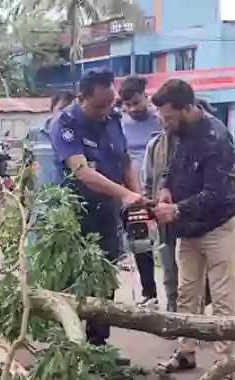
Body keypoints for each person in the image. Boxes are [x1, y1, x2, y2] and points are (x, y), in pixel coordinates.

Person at [150, 79, 235, 380]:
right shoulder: (177, 132)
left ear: (188, 108)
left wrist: (175, 209)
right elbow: (170, 168)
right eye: (162, 118)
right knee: (187, 292)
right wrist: (165, 190)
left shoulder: (217, 138)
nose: (165, 123)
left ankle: (223, 362)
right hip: (187, 229)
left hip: (218, 226)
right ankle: (186, 351)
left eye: (169, 117)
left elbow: (216, 194)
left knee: (222, 296)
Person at [50, 69, 141, 357]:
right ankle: (69, 344)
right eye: (100, 106)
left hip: (106, 213)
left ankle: (98, 345)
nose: (106, 112)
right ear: (82, 98)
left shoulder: (113, 119)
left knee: (104, 277)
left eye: (110, 104)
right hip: (73, 215)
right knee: (70, 278)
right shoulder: (65, 123)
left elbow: (125, 161)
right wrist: (125, 193)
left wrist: (136, 195)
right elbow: (81, 171)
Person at [119, 75, 162, 307]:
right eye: (127, 105)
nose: (132, 109)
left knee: (170, 245)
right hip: (133, 195)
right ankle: (150, 293)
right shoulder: (120, 123)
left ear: (146, 96)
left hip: (161, 191)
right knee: (140, 241)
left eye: (136, 102)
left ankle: (181, 295)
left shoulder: (160, 121)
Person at [140, 114, 178, 312]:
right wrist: (148, 208)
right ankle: (173, 313)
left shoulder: (196, 145)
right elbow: (147, 183)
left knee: (197, 276)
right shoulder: (155, 146)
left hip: (196, 220)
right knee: (170, 270)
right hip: (164, 221)